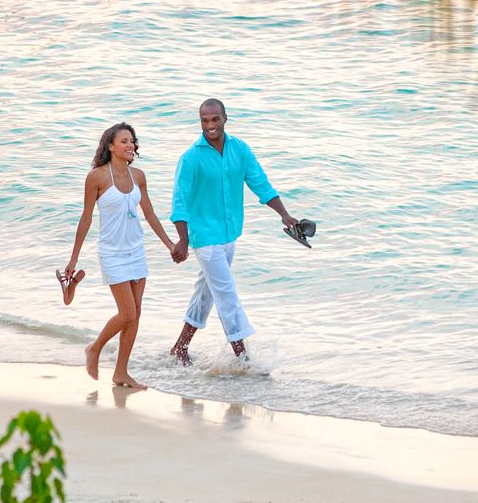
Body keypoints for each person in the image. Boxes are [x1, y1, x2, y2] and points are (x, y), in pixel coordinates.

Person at [168, 99, 303, 365]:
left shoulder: (239, 149)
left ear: (225, 119)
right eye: (204, 121)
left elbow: (260, 183)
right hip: (204, 238)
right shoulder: (191, 158)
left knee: (205, 293)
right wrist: (182, 240)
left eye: (215, 119)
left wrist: (284, 215)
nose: (210, 126)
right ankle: (243, 358)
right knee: (226, 293)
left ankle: (180, 348)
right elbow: (179, 201)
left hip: (229, 235)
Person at [61, 122, 179, 390]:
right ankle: (95, 348)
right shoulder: (97, 177)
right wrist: (73, 259)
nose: (130, 146)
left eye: (132, 141)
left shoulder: (138, 176)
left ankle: (121, 372)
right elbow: (86, 218)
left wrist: (170, 244)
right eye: (124, 141)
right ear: (110, 146)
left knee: (136, 314)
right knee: (127, 312)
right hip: (112, 251)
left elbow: (149, 213)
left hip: (136, 249)